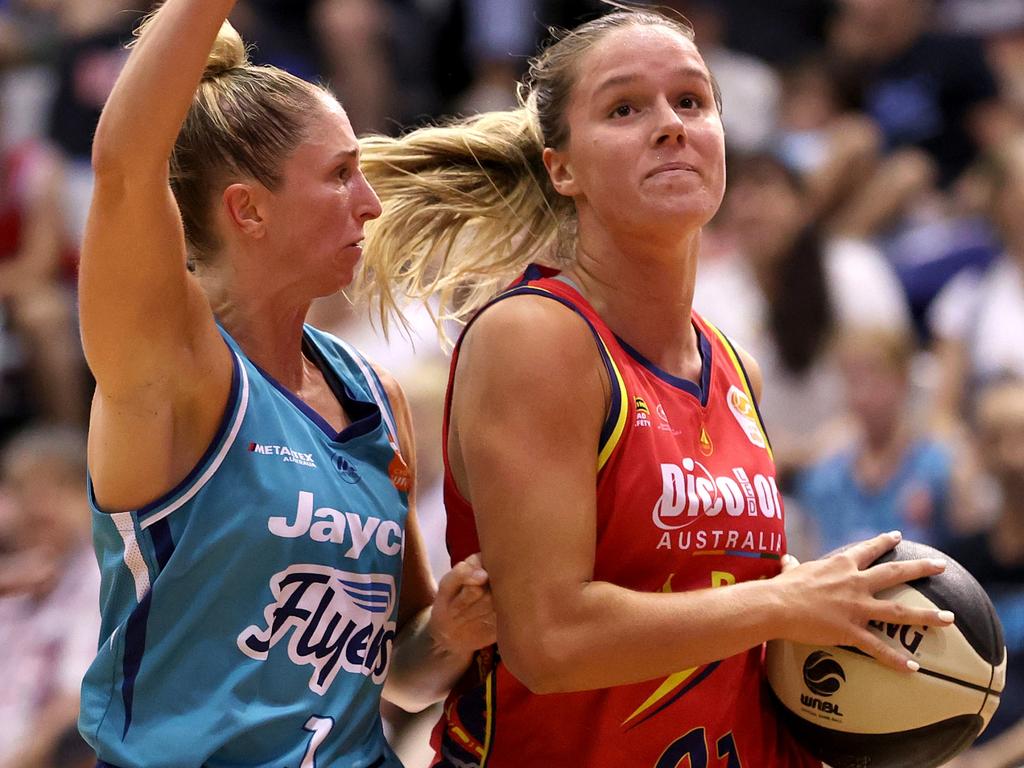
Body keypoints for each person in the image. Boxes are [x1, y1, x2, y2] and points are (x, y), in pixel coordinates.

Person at [356, 5, 956, 766]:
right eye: (624, 108)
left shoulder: (738, 368)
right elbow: (550, 639)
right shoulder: (535, 338)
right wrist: (786, 601)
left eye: (692, 101)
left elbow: (727, 630)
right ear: (561, 168)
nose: (672, 125)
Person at [76, 1, 494, 766]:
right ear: (248, 210)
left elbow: (400, 675)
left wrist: (455, 632)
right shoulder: (170, 368)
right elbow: (126, 167)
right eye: (340, 176)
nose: (370, 204)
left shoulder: (372, 394)